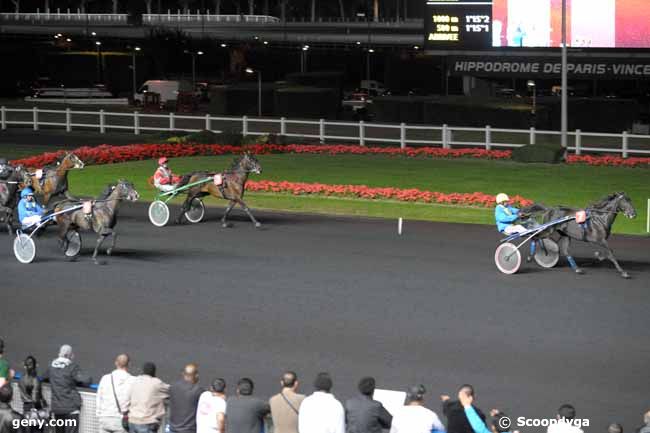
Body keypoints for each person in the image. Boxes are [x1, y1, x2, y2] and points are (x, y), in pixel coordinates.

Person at [42, 345, 93, 433]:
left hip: (57, 409)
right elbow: (86, 380)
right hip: (71, 408)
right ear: (69, 355)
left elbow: (44, 377)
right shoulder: (71, 367)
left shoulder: (51, 366)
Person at [96, 354, 134, 433]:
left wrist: (99, 415)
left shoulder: (105, 378)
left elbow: (99, 398)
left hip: (104, 418)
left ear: (116, 363)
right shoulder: (133, 381)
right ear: (129, 364)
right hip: (120, 420)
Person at [128, 362, 170, 433]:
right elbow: (172, 391)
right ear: (154, 372)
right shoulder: (156, 383)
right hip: (147, 421)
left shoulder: (135, 381)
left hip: (132, 420)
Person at [169, 364, 203, 433]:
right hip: (189, 430)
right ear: (195, 375)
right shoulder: (198, 391)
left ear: (183, 374)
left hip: (173, 429)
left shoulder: (173, 387)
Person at [19, 356, 47, 426]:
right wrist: (44, 404)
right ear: (35, 366)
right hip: (34, 408)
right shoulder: (35, 380)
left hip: (25, 407)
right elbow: (35, 399)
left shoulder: (21, 379)